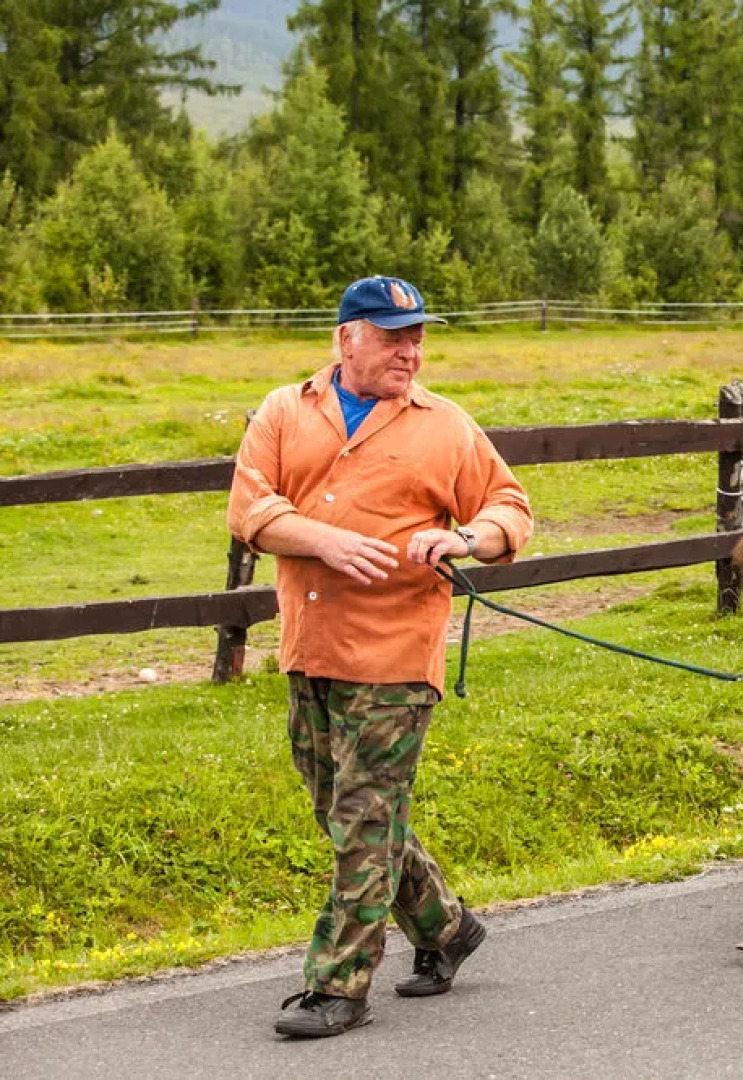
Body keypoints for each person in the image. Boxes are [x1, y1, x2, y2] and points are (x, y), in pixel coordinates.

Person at [228, 276, 534, 1038]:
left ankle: (338, 987)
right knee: (346, 808)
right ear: (347, 338)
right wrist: (321, 539)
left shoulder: (445, 426)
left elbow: (510, 509)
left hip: (397, 652)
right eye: (394, 336)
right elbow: (250, 508)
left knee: (364, 816)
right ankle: (446, 927)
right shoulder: (283, 411)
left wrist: (466, 538)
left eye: (419, 336)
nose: (412, 351)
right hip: (310, 646)